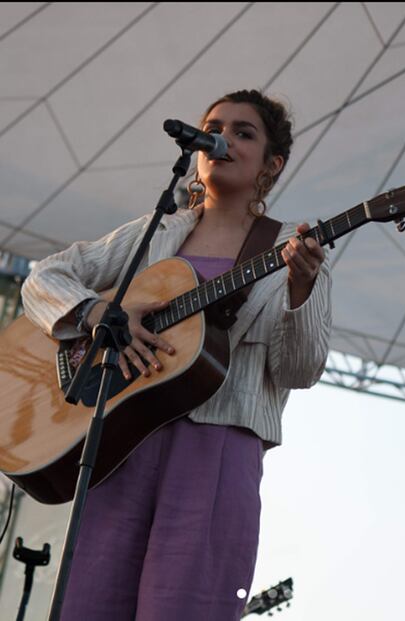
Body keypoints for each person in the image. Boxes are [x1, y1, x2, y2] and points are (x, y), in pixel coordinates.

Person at [21, 89, 331, 620]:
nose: (223, 139)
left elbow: (299, 370)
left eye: (243, 132)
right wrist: (97, 315)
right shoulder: (157, 232)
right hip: (120, 442)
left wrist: (300, 292)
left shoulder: (294, 250)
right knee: (88, 603)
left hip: (217, 452)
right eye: (214, 126)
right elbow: (43, 278)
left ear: (271, 164)